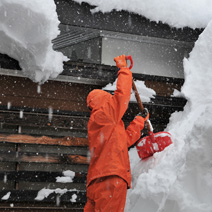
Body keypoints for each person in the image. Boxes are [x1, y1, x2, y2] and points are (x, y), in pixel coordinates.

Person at [84, 55, 149, 212]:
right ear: (105, 101)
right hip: (110, 180)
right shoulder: (104, 114)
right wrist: (124, 69)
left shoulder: (102, 123)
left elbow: (124, 141)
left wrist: (139, 121)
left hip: (97, 183)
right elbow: (122, 95)